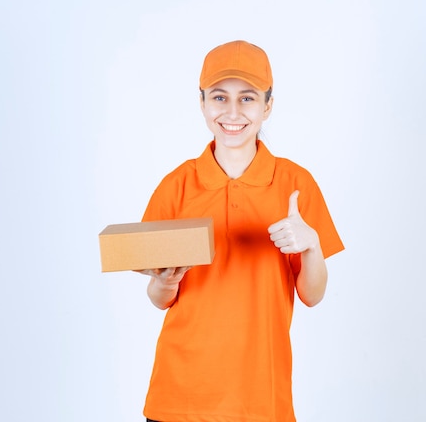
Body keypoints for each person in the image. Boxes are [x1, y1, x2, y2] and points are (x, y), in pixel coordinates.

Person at [137, 40, 344, 422]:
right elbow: (158, 297)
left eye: (247, 98)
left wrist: (312, 245)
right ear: (202, 103)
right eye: (219, 97)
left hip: (260, 401)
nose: (232, 112)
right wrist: (165, 282)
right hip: (179, 398)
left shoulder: (295, 184)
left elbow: (312, 296)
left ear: (268, 105)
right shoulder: (177, 185)